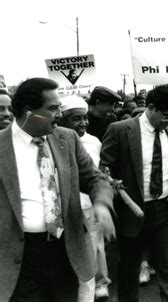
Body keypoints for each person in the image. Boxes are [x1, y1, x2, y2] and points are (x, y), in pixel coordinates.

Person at [0, 77, 115, 302]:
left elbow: (94, 178)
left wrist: (101, 204)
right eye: (52, 109)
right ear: (29, 111)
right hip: (18, 256)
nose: (60, 114)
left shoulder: (67, 138)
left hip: (65, 250)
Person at [100, 84, 168, 301]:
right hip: (132, 211)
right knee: (129, 270)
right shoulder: (120, 130)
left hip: (166, 210)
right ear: (150, 107)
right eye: (166, 116)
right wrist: (110, 181)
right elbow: (104, 167)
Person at [58, 95, 112, 300]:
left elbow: (94, 174)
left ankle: (98, 284)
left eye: (85, 118)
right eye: (76, 119)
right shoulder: (53, 141)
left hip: (89, 206)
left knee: (92, 252)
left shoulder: (93, 141)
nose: (83, 123)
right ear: (62, 119)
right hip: (64, 210)